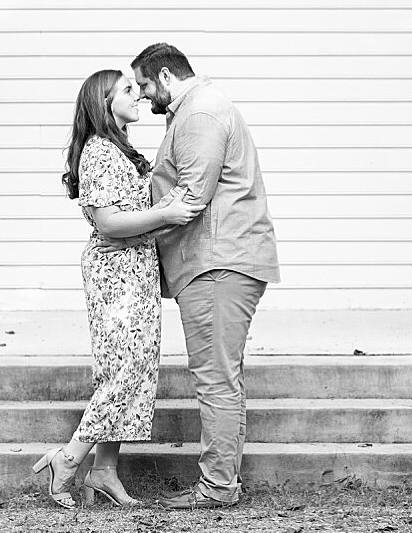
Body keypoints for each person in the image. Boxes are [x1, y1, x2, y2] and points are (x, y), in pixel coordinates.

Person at [32, 69, 204, 509]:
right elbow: (109, 222)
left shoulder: (120, 150)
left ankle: (105, 471)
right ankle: (68, 460)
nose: (139, 95)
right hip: (115, 273)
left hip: (136, 267)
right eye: (128, 90)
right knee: (123, 371)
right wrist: (167, 215)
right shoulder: (98, 153)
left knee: (137, 370)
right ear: (102, 103)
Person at [129, 43, 280, 509]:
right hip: (221, 261)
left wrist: (123, 229)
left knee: (214, 379)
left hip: (218, 263)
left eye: (145, 84)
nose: (143, 95)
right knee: (223, 377)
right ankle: (222, 483)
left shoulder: (199, 115)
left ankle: (216, 488)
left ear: (167, 76)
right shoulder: (196, 111)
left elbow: (190, 200)